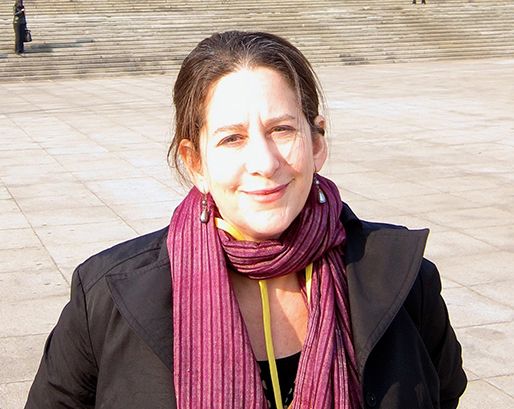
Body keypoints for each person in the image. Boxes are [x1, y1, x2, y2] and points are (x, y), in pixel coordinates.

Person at [25, 31, 466, 409]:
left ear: (316, 143)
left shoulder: (405, 278)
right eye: (232, 139)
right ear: (195, 163)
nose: (264, 163)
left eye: (282, 130)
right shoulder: (105, 297)